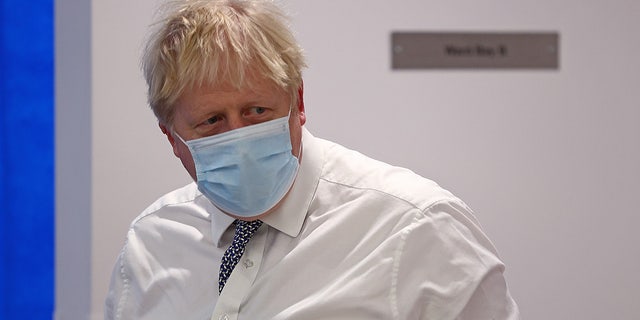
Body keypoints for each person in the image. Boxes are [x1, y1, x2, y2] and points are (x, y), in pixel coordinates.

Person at [105, 0, 520, 319]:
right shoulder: (151, 245)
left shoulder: (416, 228)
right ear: (172, 137)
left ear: (297, 101)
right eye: (212, 121)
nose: (240, 137)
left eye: (257, 112)